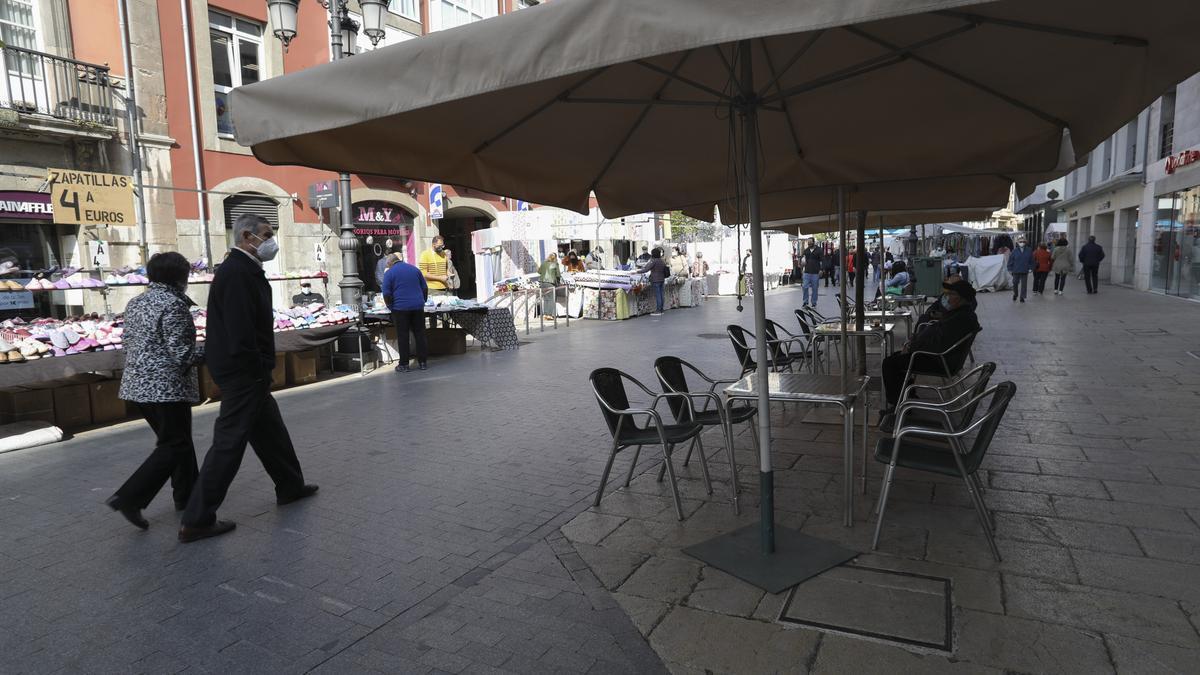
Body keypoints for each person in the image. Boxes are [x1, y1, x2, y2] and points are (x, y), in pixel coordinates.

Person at [179, 214, 317, 543]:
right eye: (266, 235)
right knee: (229, 442)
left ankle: (290, 486)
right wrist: (258, 366)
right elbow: (242, 331)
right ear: (246, 236)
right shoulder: (238, 272)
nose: (271, 241)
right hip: (243, 371)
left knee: (270, 430)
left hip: (246, 368)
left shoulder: (242, 269)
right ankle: (197, 518)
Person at [106, 252, 205, 530]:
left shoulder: (136, 302)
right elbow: (183, 355)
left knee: (178, 441)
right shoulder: (174, 305)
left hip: (138, 386)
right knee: (175, 445)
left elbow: (128, 344)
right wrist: (217, 351)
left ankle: (187, 496)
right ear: (180, 278)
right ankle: (130, 497)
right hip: (165, 388)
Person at [879, 278, 981, 415]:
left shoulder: (961, 318)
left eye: (952, 295)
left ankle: (897, 406)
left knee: (890, 364)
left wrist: (911, 347)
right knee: (897, 359)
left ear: (962, 298)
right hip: (940, 357)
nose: (948, 298)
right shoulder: (960, 314)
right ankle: (908, 397)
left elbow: (937, 345)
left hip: (940, 361)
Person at [382, 253, 429, 372]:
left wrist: (390, 306)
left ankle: (404, 364)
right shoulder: (414, 269)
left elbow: (386, 293)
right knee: (420, 334)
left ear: (389, 263)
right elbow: (424, 287)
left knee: (403, 336)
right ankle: (423, 362)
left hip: (400, 308)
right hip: (418, 307)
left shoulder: (389, 273)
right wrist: (423, 300)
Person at [640, 247, 668, 315]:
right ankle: (661, 309)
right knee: (661, 294)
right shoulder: (661, 261)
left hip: (655, 279)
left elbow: (646, 269)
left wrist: (637, 272)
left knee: (658, 295)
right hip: (662, 279)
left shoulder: (654, 261)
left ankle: (658, 310)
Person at [1007, 236, 1034, 302]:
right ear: (1017, 242)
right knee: (1015, 283)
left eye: (1023, 241)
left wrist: (1031, 268)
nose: (1022, 243)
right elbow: (1010, 261)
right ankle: (1015, 294)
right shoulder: (1014, 251)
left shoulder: (1029, 250)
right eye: (1020, 242)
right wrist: (1010, 269)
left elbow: (1032, 261)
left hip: (1025, 270)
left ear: (1025, 242)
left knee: (1024, 285)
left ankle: (1022, 297)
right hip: (1016, 270)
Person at [800, 239, 822, 307]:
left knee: (815, 288)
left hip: (815, 272)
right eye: (808, 243)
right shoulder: (806, 250)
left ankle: (814, 302)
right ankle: (805, 301)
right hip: (807, 272)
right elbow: (802, 259)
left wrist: (821, 269)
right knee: (805, 287)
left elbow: (822, 260)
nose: (809, 243)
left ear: (813, 242)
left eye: (810, 242)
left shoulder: (819, 250)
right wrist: (802, 264)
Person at [538, 252, 562, 317]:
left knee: (546, 298)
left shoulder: (543, 263)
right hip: (550, 282)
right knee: (552, 298)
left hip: (542, 282)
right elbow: (558, 275)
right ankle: (549, 314)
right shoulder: (555, 264)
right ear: (555, 258)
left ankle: (545, 314)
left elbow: (539, 271)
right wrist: (558, 282)